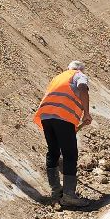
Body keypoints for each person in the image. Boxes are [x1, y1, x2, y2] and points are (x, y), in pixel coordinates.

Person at [32, 60, 91, 209]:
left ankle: (56, 193)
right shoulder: (79, 75)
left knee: (53, 152)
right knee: (70, 154)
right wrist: (86, 113)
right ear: (80, 70)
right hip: (63, 117)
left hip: (46, 117)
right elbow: (82, 88)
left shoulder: (58, 77)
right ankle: (69, 196)